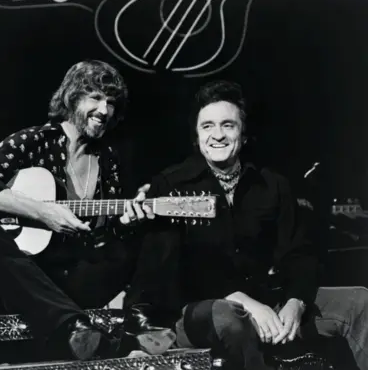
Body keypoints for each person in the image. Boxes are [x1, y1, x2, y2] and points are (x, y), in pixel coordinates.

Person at [126, 80, 368, 369]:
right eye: (207, 126)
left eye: (228, 125)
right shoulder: (169, 184)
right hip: (197, 310)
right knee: (229, 315)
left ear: (243, 135)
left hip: (266, 301)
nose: (218, 135)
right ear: (196, 135)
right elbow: (170, 274)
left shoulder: (271, 184)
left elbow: (300, 252)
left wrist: (296, 302)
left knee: (358, 301)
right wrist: (246, 303)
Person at [0, 60, 175, 361]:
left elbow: (106, 234)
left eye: (111, 103)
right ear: (72, 97)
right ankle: (75, 327)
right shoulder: (34, 141)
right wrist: (42, 212)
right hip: (33, 276)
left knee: (158, 228)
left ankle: (139, 320)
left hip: (79, 272)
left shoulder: (109, 159)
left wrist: (125, 223)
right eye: (95, 97)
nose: (104, 110)